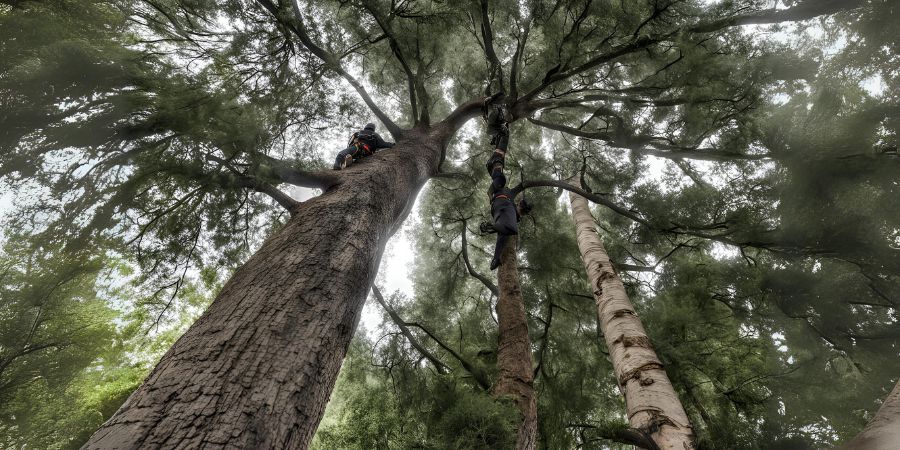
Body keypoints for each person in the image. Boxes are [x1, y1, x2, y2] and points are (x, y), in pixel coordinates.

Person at [480, 151, 532, 270]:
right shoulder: (510, 194)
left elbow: (502, 237)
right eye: (521, 208)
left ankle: (496, 163)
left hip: (498, 207)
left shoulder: (512, 213)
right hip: (499, 202)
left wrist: (496, 258)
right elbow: (521, 186)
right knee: (501, 179)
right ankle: (495, 162)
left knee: (507, 230)